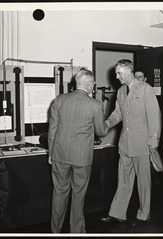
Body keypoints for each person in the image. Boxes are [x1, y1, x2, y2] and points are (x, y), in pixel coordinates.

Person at [101, 59, 161, 227]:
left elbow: (154, 116)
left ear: (128, 72)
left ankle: (144, 215)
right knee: (124, 180)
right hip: (125, 144)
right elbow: (117, 113)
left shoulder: (145, 89)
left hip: (142, 143)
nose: (116, 76)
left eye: (119, 73)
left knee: (143, 182)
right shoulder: (120, 91)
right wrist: (107, 123)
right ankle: (117, 213)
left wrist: (153, 140)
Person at [48, 68, 107, 233]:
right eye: (93, 83)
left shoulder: (59, 100)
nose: (93, 86)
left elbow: (52, 130)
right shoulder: (95, 104)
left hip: (59, 154)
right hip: (81, 157)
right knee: (78, 195)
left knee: (59, 194)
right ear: (88, 84)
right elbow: (101, 131)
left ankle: (55, 232)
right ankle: (76, 232)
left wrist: (51, 153)